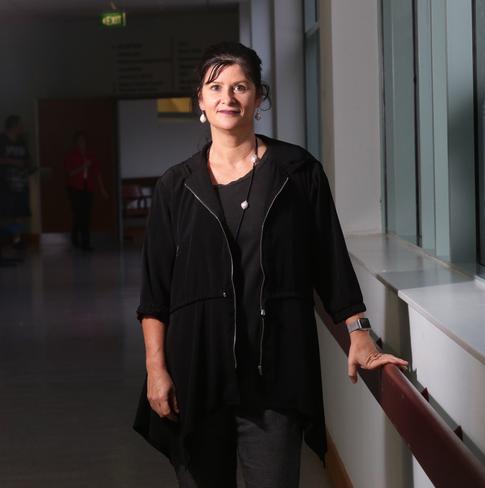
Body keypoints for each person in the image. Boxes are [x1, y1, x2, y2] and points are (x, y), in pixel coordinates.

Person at [133, 41, 408, 488]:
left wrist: (359, 333)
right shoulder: (175, 187)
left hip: (274, 376)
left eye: (240, 86)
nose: (228, 97)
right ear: (200, 100)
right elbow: (155, 293)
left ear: (258, 97)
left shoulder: (297, 172)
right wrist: (156, 369)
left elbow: (330, 260)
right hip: (196, 375)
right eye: (216, 87)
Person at [63, 130, 107, 251]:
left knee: (86, 214)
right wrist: (83, 166)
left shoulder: (90, 155)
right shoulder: (71, 156)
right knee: (79, 213)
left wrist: (102, 189)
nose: (82, 143)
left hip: (88, 187)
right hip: (75, 188)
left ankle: (85, 242)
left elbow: (97, 172)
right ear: (76, 143)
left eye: (84, 141)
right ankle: (76, 236)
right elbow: (70, 173)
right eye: (80, 141)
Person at [0, 115, 32, 252]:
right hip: (5, 185)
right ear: (13, 126)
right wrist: (13, 162)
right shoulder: (1, 140)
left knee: (19, 214)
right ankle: (3, 241)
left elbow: (27, 159)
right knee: (5, 215)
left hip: (21, 184)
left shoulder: (22, 142)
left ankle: (17, 241)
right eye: (20, 125)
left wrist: (27, 165)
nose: (22, 128)